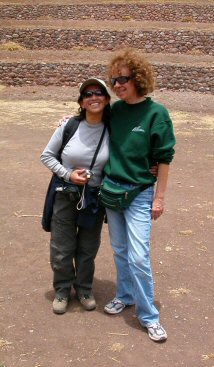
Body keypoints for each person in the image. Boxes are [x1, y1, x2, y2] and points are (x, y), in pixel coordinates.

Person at [102, 48, 176, 342]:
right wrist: (66, 120)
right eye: (114, 80)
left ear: (138, 78)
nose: (118, 84)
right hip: (112, 190)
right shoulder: (115, 110)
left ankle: (149, 317)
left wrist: (160, 198)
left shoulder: (156, 113)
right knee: (120, 251)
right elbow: (90, 117)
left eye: (124, 78)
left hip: (140, 194)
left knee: (139, 257)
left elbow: (165, 157)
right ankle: (125, 295)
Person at [40, 78, 111, 314]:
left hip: (94, 199)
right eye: (88, 94)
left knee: (88, 248)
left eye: (99, 93)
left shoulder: (113, 129)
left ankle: (84, 288)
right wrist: (68, 174)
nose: (94, 97)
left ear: (107, 99)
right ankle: (61, 289)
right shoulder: (69, 126)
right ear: (81, 102)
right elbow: (47, 156)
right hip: (65, 195)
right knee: (61, 247)